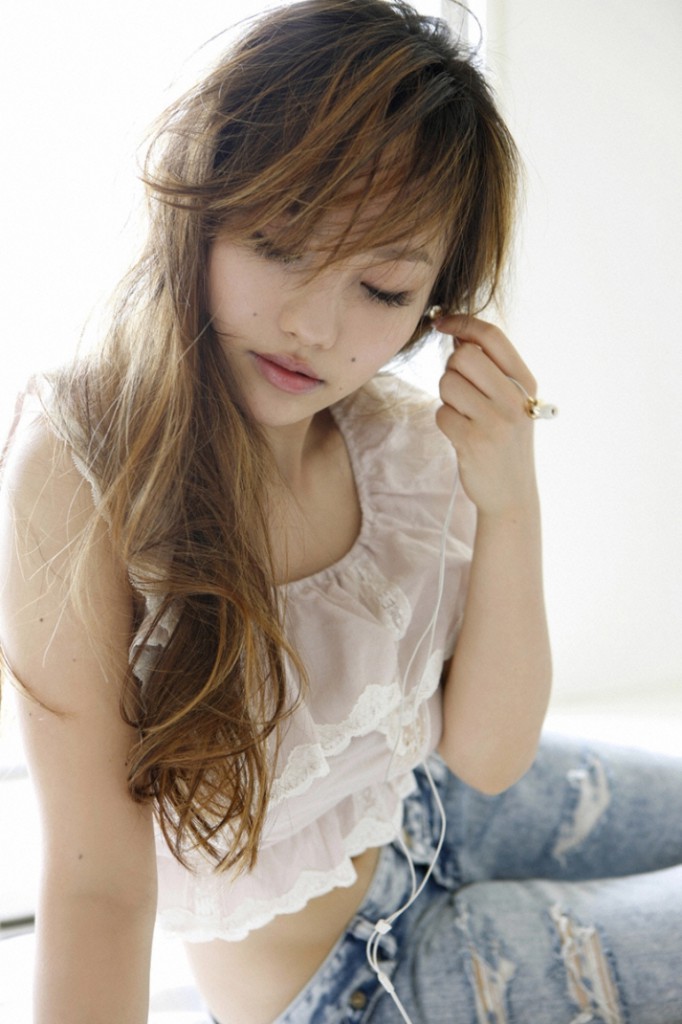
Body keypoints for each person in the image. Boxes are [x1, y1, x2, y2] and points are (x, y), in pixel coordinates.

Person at [1, 1, 681, 1022]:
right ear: (199, 206)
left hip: (431, 809)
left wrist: (509, 494)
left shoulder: (395, 443)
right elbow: (99, 887)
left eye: (381, 287)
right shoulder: (85, 460)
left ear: (435, 301)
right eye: (279, 244)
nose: (315, 327)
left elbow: (487, 757)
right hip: (356, 978)